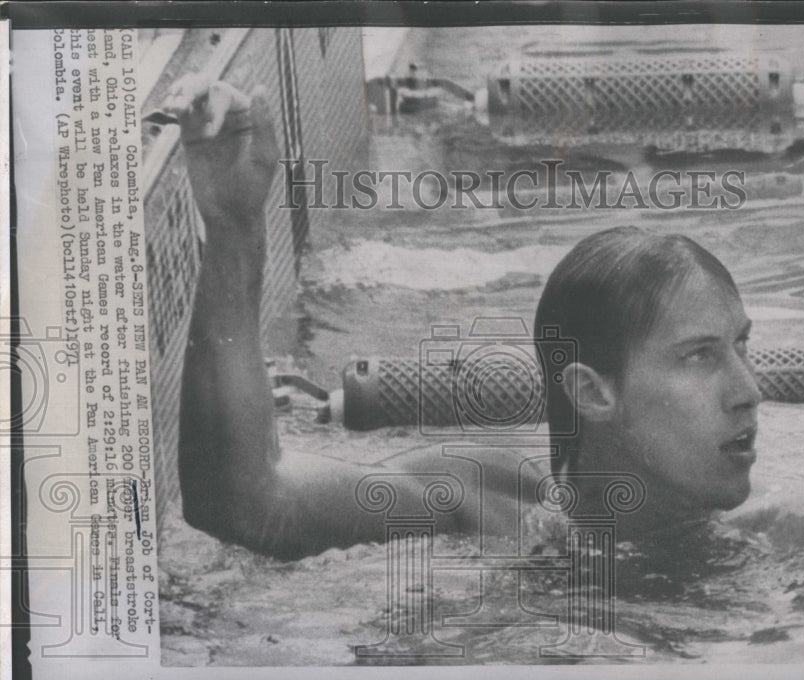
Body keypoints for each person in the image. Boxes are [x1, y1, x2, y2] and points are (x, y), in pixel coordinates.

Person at [167, 77, 761, 562]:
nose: (749, 391)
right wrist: (234, 227)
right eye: (700, 355)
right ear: (592, 392)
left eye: (742, 346)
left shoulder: (785, 534)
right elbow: (244, 503)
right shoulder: (476, 507)